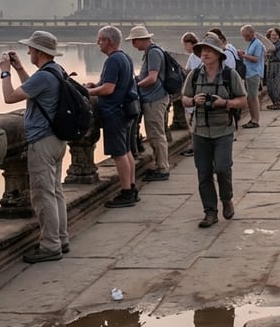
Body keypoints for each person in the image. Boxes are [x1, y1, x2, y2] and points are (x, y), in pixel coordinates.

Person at [0, 31, 71, 263]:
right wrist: (19, 69)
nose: (27, 52)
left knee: (42, 195)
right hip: (57, 139)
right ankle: (61, 238)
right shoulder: (55, 71)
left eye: (30, 49)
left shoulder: (45, 76)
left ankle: (50, 246)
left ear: (39, 52)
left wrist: (5, 71)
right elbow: (32, 88)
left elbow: (10, 97)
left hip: (43, 140)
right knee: (55, 191)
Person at [181, 34, 246, 228]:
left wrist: (224, 103)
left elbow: (243, 99)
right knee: (204, 172)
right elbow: (184, 98)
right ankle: (210, 211)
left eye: (209, 51)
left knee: (222, 168)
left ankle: (226, 198)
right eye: (203, 51)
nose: (205, 54)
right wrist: (194, 101)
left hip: (223, 131)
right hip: (199, 130)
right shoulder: (194, 75)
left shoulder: (229, 75)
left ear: (219, 54)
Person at [85, 25, 139, 208]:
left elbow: (109, 89)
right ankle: (131, 188)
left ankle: (126, 193)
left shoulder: (113, 61)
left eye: (100, 39)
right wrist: (96, 85)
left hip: (114, 112)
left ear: (108, 41)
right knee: (126, 151)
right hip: (124, 110)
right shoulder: (125, 58)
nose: (98, 43)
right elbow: (110, 83)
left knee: (119, 154)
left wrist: (89, 92)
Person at [127, 25, 171, 183]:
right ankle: (160, 165)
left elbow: (152, 78)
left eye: (134, 41)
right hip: (152, 98)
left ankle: (163, 168)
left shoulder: (153, 52)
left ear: (141, 39)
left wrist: (135, 85)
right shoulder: (151, 52)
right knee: (155, 134)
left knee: (156, 134)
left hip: (155, 98)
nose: (133, 45)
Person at [239, 25, 266, 128]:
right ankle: (253, 118)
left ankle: (255, 120)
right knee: (250, 97)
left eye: (245, 35)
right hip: (249, 73)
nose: (244, 38)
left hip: (254, 73)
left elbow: (256, 59)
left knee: (253, 97)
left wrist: (244, 56)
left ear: (251, 34)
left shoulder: (257, 44)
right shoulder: (252, 43)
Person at [179, 31, 201, 157]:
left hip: (193, 93)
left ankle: (195, 147)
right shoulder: (199, 55)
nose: (185, 48)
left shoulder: (194, 56)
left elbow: (188, 73)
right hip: (197, 91)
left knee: (192, 121)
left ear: (190, 44)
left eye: (185, 45)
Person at [265, 27, 280, 110]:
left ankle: (277, 103)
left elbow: (274, 51)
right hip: (270, 66)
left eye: (276, 35)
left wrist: (268, 54)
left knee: (275, 85)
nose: (274, 36)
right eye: (272, 35)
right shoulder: (270, 44)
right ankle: (274, 102)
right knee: (269, 85)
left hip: (277, 66)